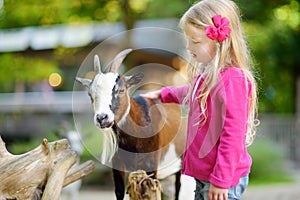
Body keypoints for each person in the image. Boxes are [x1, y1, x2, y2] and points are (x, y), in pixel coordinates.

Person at [140, 0, 259, 199]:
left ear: (220, 40)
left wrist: (221, 181)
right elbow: (192, 92)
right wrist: (163, 94)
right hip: (205, 176)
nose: (188, 47)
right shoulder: (209, 77)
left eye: (195, 42)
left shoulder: (233, 79)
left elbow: (233, 135)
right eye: (188, 40)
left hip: (222, 180)